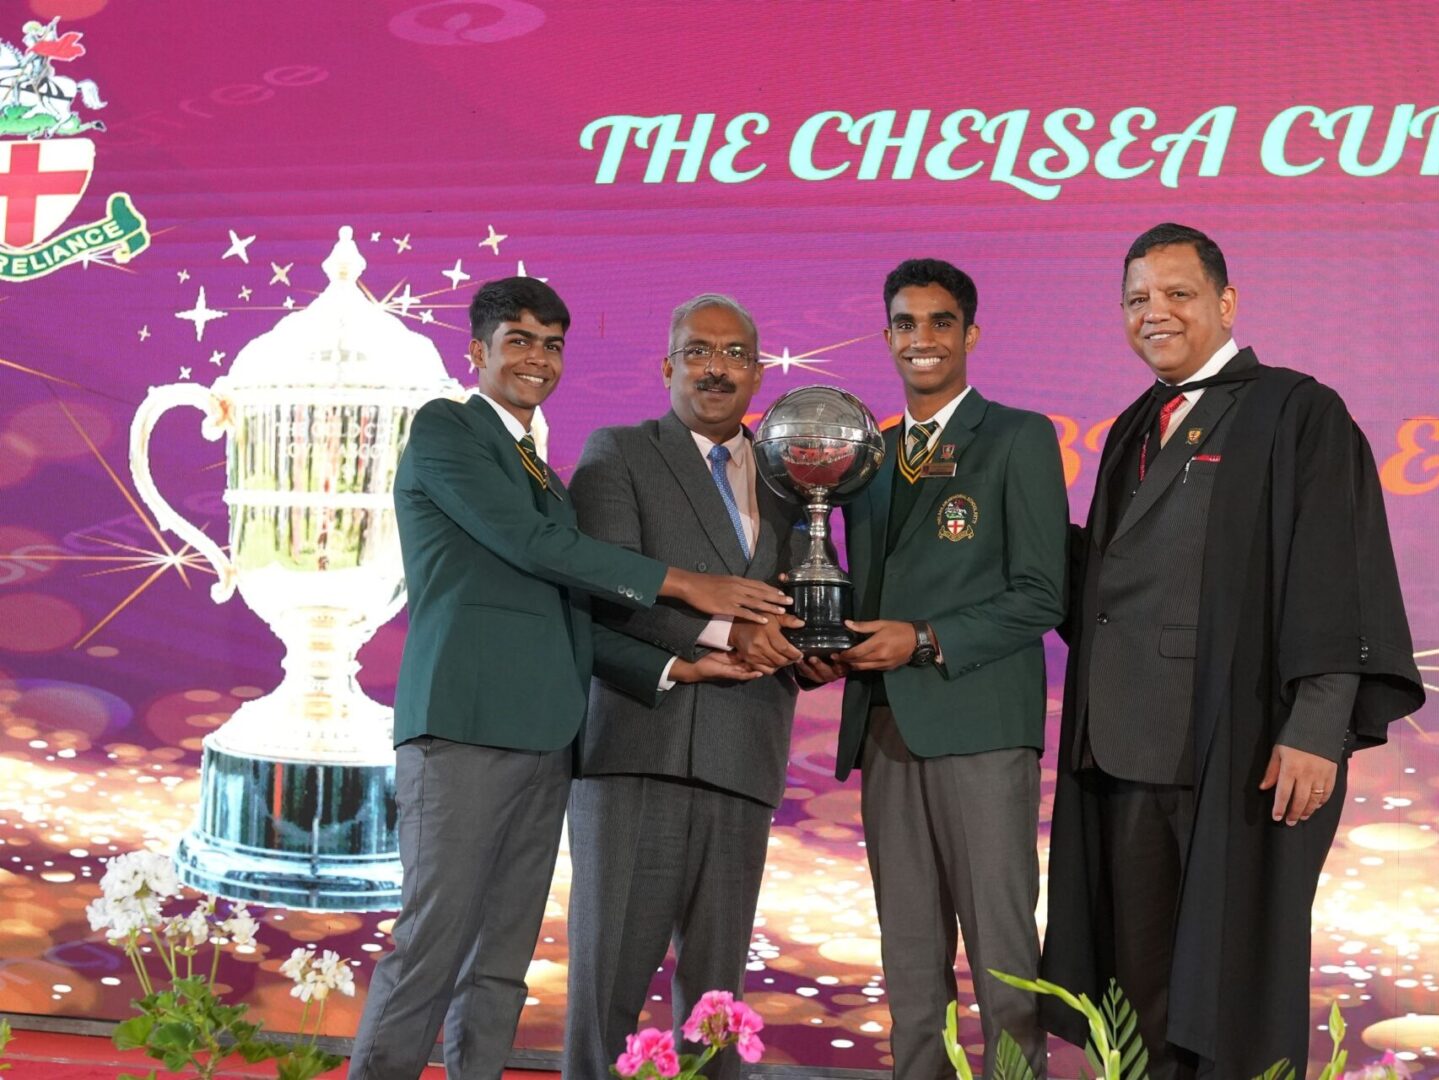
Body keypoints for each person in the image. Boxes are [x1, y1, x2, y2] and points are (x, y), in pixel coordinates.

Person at [347, 277, 789, 1080]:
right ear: (476, 351)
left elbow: (573, 616)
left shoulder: (544, 477)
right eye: (518, 340)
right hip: (464, 727)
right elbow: (534, 547)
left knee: (500, 962)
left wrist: (677, 663)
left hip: (548, 737)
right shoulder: (447, 429)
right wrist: (687, 585)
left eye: (552, 345)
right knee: (432, 947)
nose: (538, 359)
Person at [1039, 224, 1424, 1076]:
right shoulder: (1134, 425)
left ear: (1226, 303)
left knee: (1231, 988)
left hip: (1239, 747)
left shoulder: (1295, 411)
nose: (1156, 313)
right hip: (1126, 747)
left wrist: (1318, 725)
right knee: (1140, 990)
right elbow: (1111, 580)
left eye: (1177, 294)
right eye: (1137, 299)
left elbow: (1335, 572)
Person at [799, 258, 1066, 1080]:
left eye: (940, 322)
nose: (923, 339)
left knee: (1003, 957)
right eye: (906, 324)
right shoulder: (865, 457)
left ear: (970, 334)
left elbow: (1042, 594)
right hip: (885, 727)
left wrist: (921, 638)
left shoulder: (1017, 436)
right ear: (886, 337)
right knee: (910, 959)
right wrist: (820, 642)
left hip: (979, 723)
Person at [563, 294, 806, 1080]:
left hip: (744, 752)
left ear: (758, 373)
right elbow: (605, 586)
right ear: (668, 366)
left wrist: (814, 644)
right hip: (640, 746)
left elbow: (808, 595)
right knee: (608, 991)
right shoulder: (620, 451)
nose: (717, 368)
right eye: (699, 351)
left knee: (717, 1007)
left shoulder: (793, 477)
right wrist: (725, 631)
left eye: (735, 354)